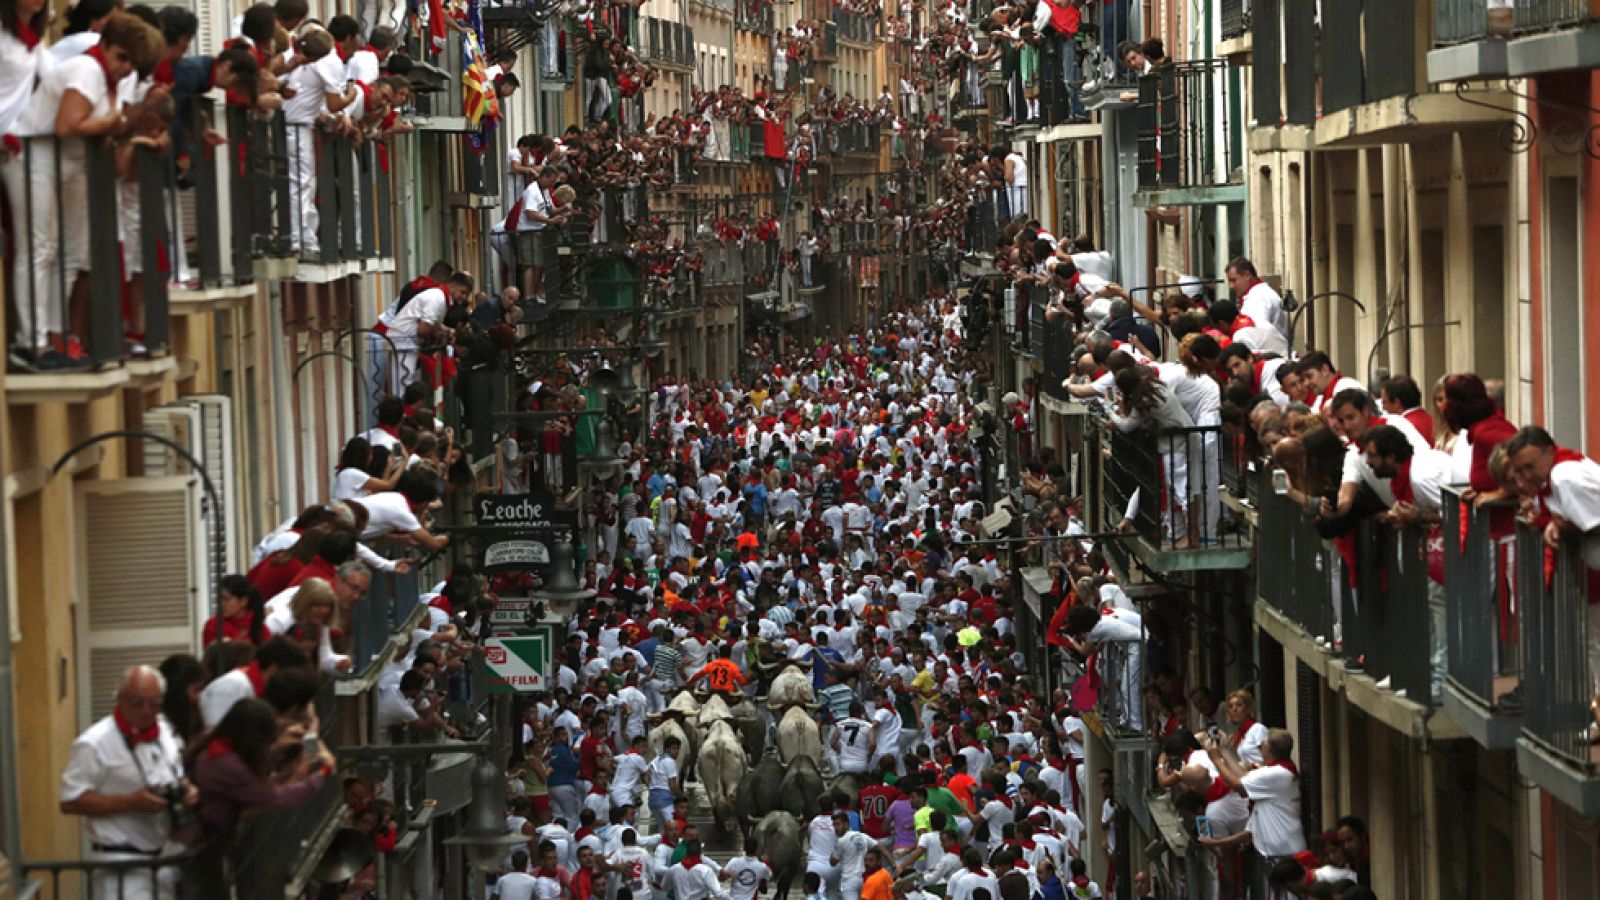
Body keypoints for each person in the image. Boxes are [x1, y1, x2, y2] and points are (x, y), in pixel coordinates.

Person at [60, 665, 192, 900]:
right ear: (119, 698)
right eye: (137, 702)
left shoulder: (164, 730)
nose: (146, 711)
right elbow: (69, 801)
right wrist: (129, 802)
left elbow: (176, 773)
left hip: (163, 857)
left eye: (154, 703)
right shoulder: (94, 743)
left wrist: (187, 790)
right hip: (120, 864)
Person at [184, 698, 332, 839]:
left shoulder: (218, 739)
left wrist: (278, 745)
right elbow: (278, 798)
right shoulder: (229, 765)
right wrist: (324, 771)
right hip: (207, 836)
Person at [721, 835, 771, 900]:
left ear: (744, 848)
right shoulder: (762, 867)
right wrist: (766, 862)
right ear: (756, 849)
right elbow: (769, 876)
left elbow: (721, 878)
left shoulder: (734, 862)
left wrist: (728, 874)